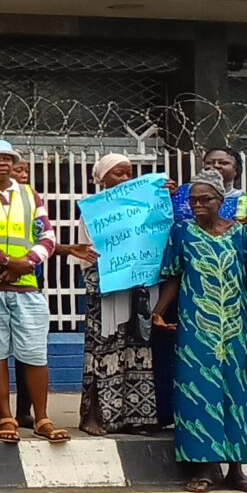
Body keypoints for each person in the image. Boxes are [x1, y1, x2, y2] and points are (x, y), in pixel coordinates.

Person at [153, 173, 247, 493]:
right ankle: (205, 469)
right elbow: (173, 276)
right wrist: (158, 311)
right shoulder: (182, 232)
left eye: (204, 199)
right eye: (193, 200)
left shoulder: (241, 235)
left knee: (238, 395)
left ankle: (237, 470)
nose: (197, 205)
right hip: (196, 328)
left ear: (221, 202)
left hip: (235, 327)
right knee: (198, 394)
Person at [0, 140, 65, 444]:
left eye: (7, 159)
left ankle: (42, 418)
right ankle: (5, 416)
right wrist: (7, 262)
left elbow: (47, 235)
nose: (3, 164)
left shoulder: (30, 195)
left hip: (26, 285)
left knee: (35, 353)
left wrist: (27, 263)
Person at [68, 153, 158, 437]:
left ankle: (134, 416)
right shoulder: (94, 211)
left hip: (136, 289)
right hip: (106, 291)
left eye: (129, 173)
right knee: (103, 350)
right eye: (118, 173)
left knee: (136, 351)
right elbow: (87, 254)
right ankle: (93, 415)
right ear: (102, 178)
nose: (125, 179)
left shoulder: (142, 208)